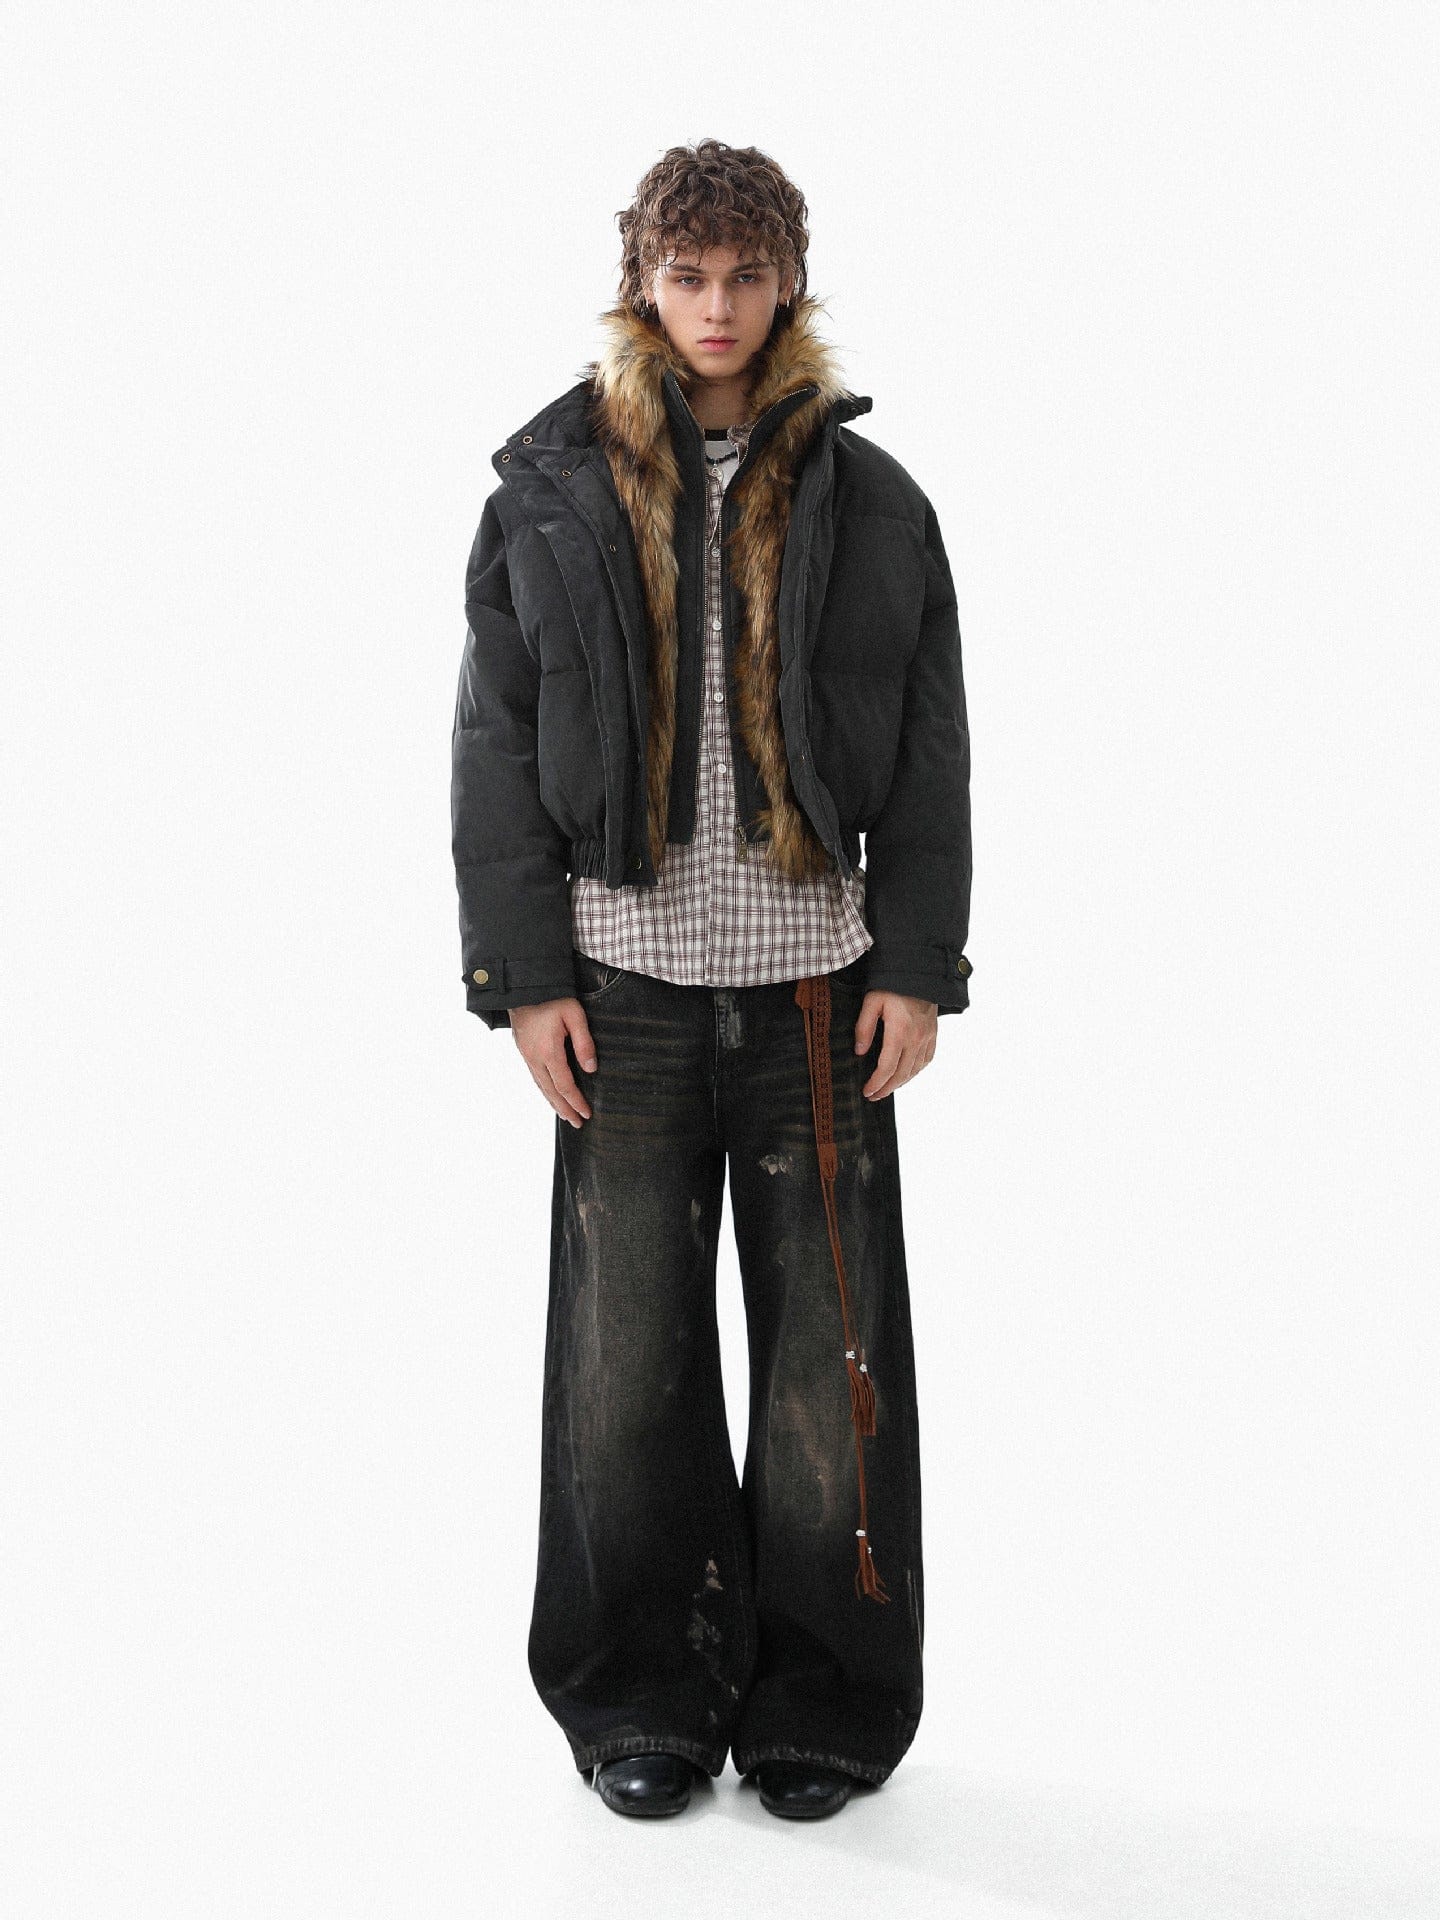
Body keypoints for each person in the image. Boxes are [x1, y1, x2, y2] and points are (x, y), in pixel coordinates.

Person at [451, 139, 973, 1821]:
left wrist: (918, 964)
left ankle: (824, 1705)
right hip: (622, 997)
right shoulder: (550, 488)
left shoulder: (874, 502)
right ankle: (641, 1696)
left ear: (789, 280)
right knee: (627, 1372)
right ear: (643, 283)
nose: (720, 307)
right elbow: (495, 743)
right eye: (689, 277)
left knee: (833, 1368)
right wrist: (526, 975)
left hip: (823, 996)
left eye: (749, 275)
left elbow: (933, 752)